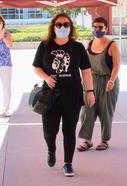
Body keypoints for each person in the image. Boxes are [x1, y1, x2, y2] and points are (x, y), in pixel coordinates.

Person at [33, 13, 95, 176]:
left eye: (66, 25)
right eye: (59, 24)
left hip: (72, 96)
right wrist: (46, 77)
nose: (62, 27)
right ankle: (51, 149)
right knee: (49, 131)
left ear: (71, 27)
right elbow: (36, 67)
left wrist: (90, 91)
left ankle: (68, 163)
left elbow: (86, 71)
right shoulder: (45, 45)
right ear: (53, 27)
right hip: (50, 98)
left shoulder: (78, 47)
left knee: (69, 131)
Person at [77, 17, 119, 151]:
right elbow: (84, 66)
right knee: (87, 111)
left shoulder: (112, 45)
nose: (97, 30)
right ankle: (87, 140)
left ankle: (104, 140)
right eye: (94, 27)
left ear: (106, 28)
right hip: (91, 81)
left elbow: (116, 66)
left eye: (100, 27)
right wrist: (82, 80)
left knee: (105, 111)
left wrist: (112, 80)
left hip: (107, 81)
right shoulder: (89, 44)